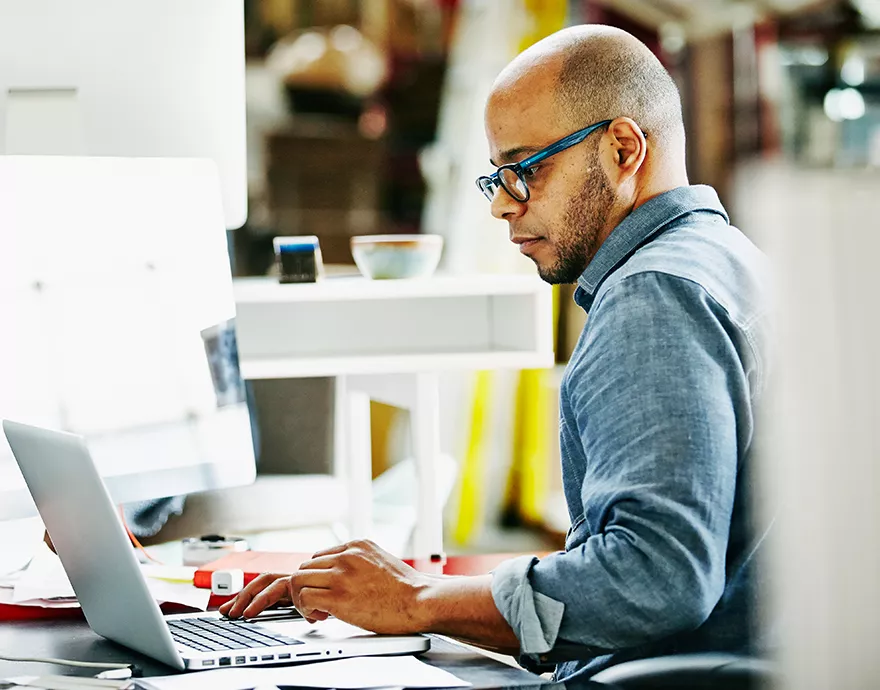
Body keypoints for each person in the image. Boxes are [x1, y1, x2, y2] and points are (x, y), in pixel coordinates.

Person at [221, 24, 772, 680]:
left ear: (623, 147)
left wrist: (415, 600)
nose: (504, 206)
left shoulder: (653, 296)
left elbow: (654, 578)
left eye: (526, 170)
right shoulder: (728, 261)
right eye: (497, 179)